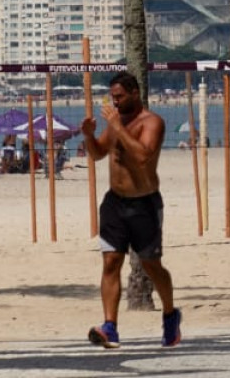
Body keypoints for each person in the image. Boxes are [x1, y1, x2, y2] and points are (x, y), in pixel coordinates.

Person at [79, 70, 180, 350]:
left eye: (120, 97)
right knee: (111, 262)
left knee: (151, 265)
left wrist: (118, 126)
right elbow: (99, 153)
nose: (116, 102)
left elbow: (144, 156)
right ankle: (109, 327)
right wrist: (89, 136)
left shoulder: (152, 122)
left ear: (135, 93)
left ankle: (171, 315)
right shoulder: (116, 122)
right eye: (113, 97)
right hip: (115, 202)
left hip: (144, 203)